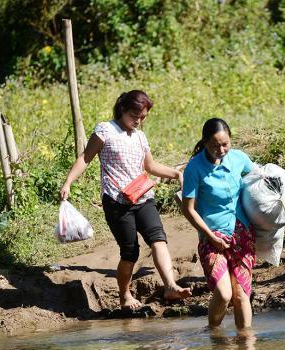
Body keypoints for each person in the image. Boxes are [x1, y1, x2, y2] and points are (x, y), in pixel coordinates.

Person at [60, 90, 191, 310]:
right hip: (117, 201)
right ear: (122, 110)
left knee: (158, 238)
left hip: (143, 197)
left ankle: (170, 286)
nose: (138, 121)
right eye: (134, 115)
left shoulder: (140, 136)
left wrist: (176, 173)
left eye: (143, 117)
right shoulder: (105, 130)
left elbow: (149, 166)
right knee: (130, 251)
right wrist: (68, 182)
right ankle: (125, 296)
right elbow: (86, 157)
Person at [181, 118, 256, 329]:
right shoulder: (194, 168)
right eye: (215, 145)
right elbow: (188, 209)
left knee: (241, 294)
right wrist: (210, 236)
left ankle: (246, 347)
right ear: (204, 143)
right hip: (212, 237)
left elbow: (257, 178)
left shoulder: (239, 158)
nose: (221, 150)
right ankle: (213, 334)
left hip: (241, 234)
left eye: (225, 144)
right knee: (224, 294)